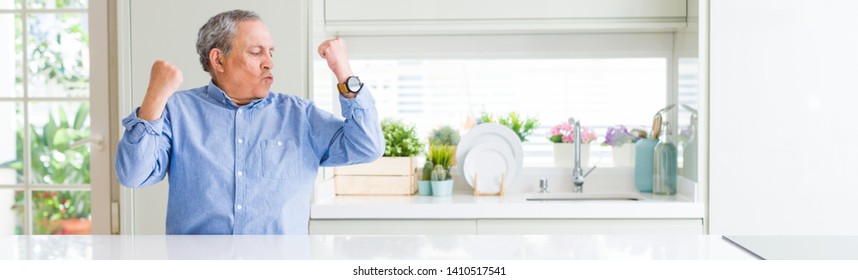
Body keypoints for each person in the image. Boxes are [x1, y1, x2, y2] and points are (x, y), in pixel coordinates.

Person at [115, 10, 384, 235]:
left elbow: (367, 146)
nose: (269, 63)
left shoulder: (300, 115)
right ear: (218, 59)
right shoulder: (177, 110)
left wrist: (344, 73)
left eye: (271, 52)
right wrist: (155, 97)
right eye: (257, 52)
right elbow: (134, 175)